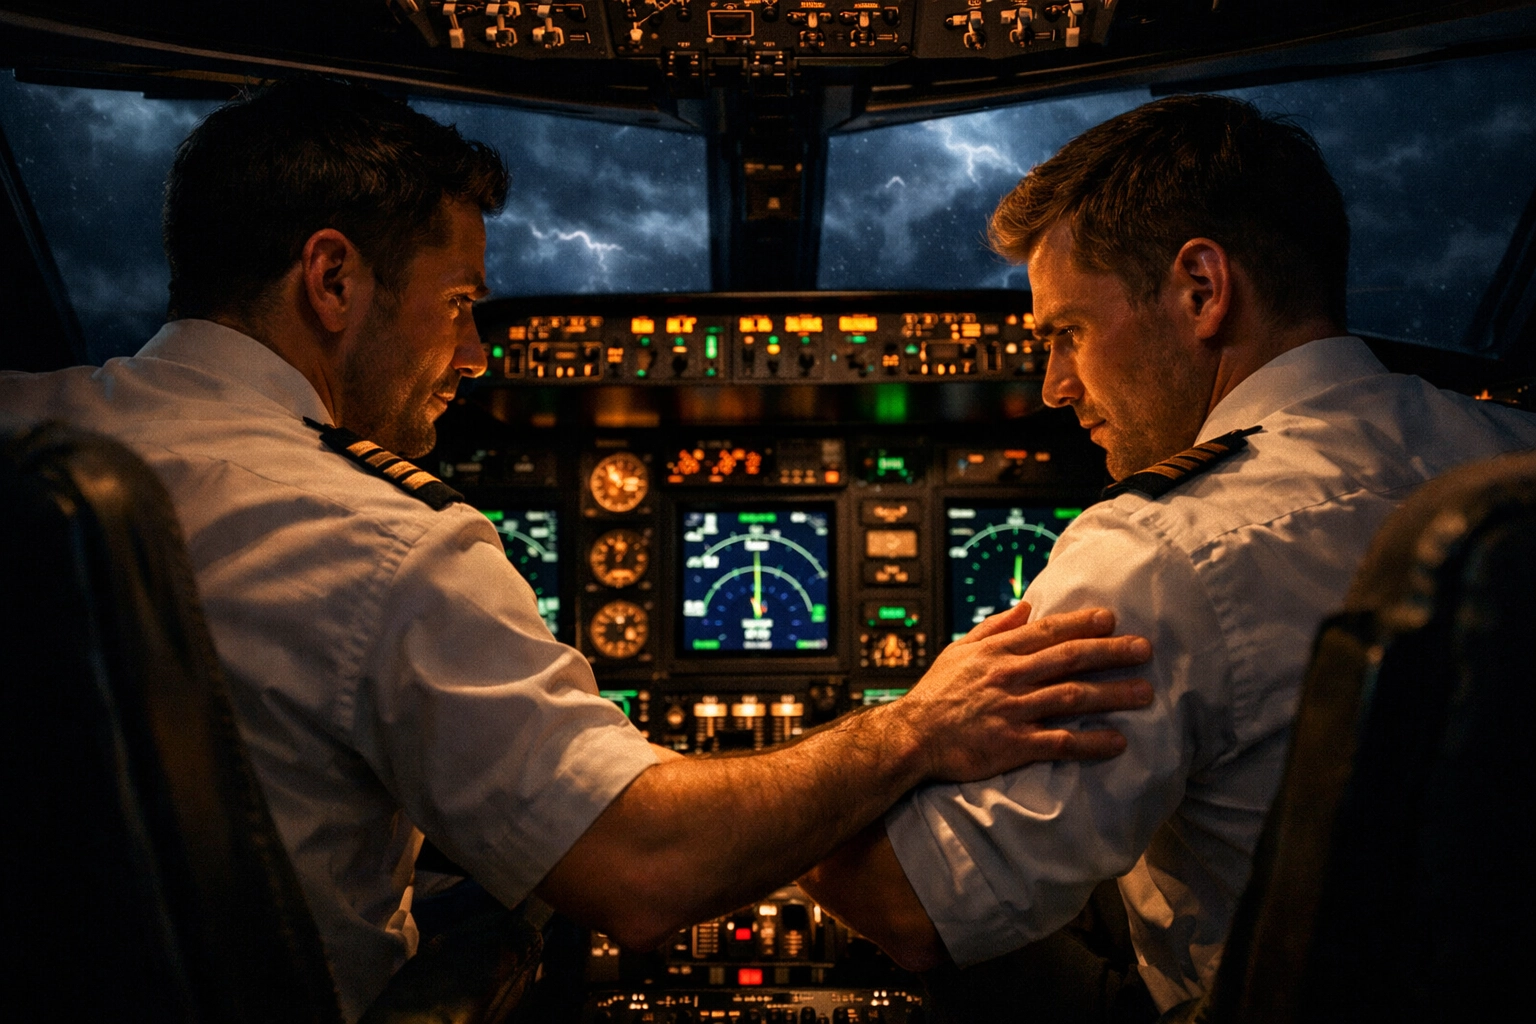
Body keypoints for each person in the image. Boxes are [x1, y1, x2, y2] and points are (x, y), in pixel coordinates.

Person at [0, 79, 1158, 1021]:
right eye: (461, 306)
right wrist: (917, 722)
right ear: (334, 279)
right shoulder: (376, 540)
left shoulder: (25, 422)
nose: (471, 359)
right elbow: (643, 876)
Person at [797, 93, 1536, 1021]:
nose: (1056, 388)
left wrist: (868, 745)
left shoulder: (1158, 552)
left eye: (1066, 333)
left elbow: (909, 909)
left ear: (1201, 289)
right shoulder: (1513, 453)